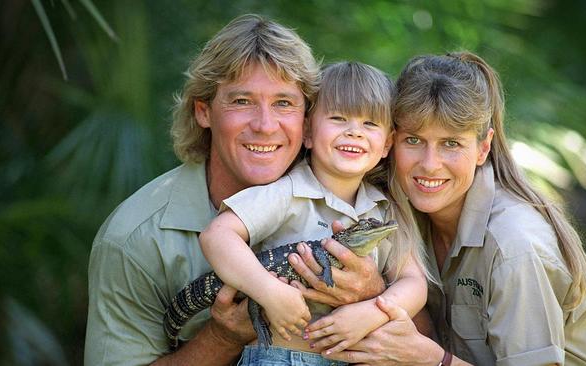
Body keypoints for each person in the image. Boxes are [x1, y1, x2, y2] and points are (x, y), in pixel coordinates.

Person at [84, 15, 386, 365]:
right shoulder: (132, 238)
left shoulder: (359, 195)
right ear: (204, 111)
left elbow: (425, 335)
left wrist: (372, 292)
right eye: (242, 101)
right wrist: (223, 337)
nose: (264, 125)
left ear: (307, 120)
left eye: (284, 103)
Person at [300, 52, 586, 365]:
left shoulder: (516, 246)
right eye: (414, 140)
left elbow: (419, 352)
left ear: (483, 148)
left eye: (451, 144)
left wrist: (432, 360)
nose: (430, 165)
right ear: (391, 140)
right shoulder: (391, 212)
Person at [198, 61, 429, 366]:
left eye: (369, 124)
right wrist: (269, 292)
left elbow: (414, 283)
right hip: (280, 357)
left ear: (387, 143)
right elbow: (218, 236)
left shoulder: (385, 208)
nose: (354, 132)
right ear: (307, 131)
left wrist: (372, 311)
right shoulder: (286, 192)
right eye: (338, 118)